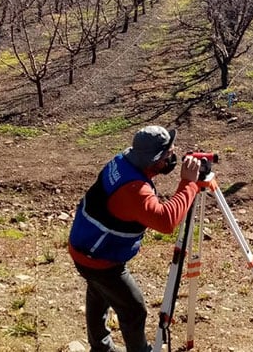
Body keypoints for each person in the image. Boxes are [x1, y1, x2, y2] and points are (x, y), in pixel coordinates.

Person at [68, 125, 201, 352]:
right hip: (98, 260)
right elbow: (166, 221)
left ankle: (100, 347)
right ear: (154, 160)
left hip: (85, 245)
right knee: (133, 308)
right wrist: (189, 183)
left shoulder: (123, 161)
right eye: (168, 154)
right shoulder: (133, 189)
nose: (173, 157)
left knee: (99, 292)